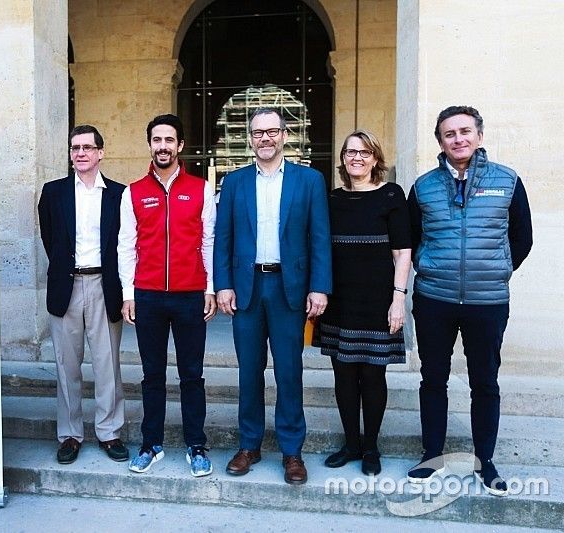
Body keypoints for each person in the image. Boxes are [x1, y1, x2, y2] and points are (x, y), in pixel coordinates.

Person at [406, 106, 533, 496]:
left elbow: (522, 237)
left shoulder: (507, 181)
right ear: (440, 141)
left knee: (484, 381)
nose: (458, 139)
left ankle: (486, 461)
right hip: (435, 299)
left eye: (465, 131)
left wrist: (495, 270)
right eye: (449, 134)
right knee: (433, 379)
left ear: (479, 134)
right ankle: (432, 455)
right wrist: (429, 268)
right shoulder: (424, 186)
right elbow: (412, 239)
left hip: (487, 301)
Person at [214, 107, 332, 485]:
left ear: (284, 135)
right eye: (257, 132)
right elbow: (224, 239)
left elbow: (319, 238)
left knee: (289, 371)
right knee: (249, 371)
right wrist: (223, 284)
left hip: (289, 289)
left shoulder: (309, 180)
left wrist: (319, 287)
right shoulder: (233, 182)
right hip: (247, 288)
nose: (265, 138)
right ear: (250, 139)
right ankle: (249, 445)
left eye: (272, 131)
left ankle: (292, 451)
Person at [117, 114, 217, 477]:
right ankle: (151, 444)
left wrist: (209, 287)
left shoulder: (202, 189)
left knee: (192, 374)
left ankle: (196, 445)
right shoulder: (133, 192)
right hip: (148, 296)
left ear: (180, 146)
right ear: (150, 145)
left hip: (191, 295)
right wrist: (129, 294)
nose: (163, 146)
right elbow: (126, 246)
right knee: (152, 374)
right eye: (156, 140)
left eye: (169, 140)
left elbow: (209, 242)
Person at [317, 130, 411, 476]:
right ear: (342, 159)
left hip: (377, 301)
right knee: (343, 375)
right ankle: (351, 443)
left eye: (364, 152)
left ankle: (371, 446)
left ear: (375, 158)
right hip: (340, 300)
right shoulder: (332, 199)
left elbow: (403, 252)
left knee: (373, 376)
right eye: (350, 152)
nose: (356, 157)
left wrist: (398, 300)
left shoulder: (391, 195)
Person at [38, 124, 128, 465]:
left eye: (87, 147)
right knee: (66, 366)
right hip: (67, 286)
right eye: (75, 148)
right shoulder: (54, 192)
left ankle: (109, 432)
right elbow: (51, 240)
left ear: (100, 153)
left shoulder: (120, 194)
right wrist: (66, 270)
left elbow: (124, 244)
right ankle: (71, 435)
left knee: (107, 364)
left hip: (105, 286)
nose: (80, 153)